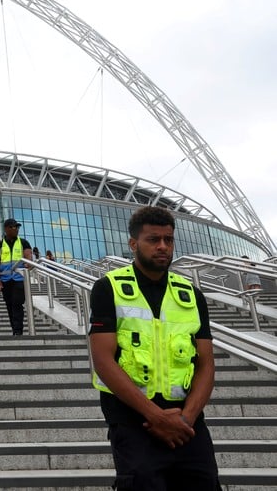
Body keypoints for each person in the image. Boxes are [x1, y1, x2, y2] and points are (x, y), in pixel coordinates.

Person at [89, 206, 220, 490]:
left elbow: (206, 364)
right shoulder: (108, 288)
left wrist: (186, 418)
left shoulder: (190, 294)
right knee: (142, 483)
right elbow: (103, 359)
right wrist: (155, 416)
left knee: (205, 483)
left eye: (168, 240)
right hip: (133, 417)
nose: (163, 246)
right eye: (153, 239)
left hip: (186, 418)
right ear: (133, 244)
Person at [0, 218, 32, 335]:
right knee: (9, 305)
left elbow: (28, 255)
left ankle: (18, 331)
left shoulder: (23, 242)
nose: (17, 229)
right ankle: (15, 330)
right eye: (14, 227)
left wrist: (29, 262)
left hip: (19, 278)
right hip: (5, 280)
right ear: (7, 229)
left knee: (17, 303)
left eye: (18, 227)